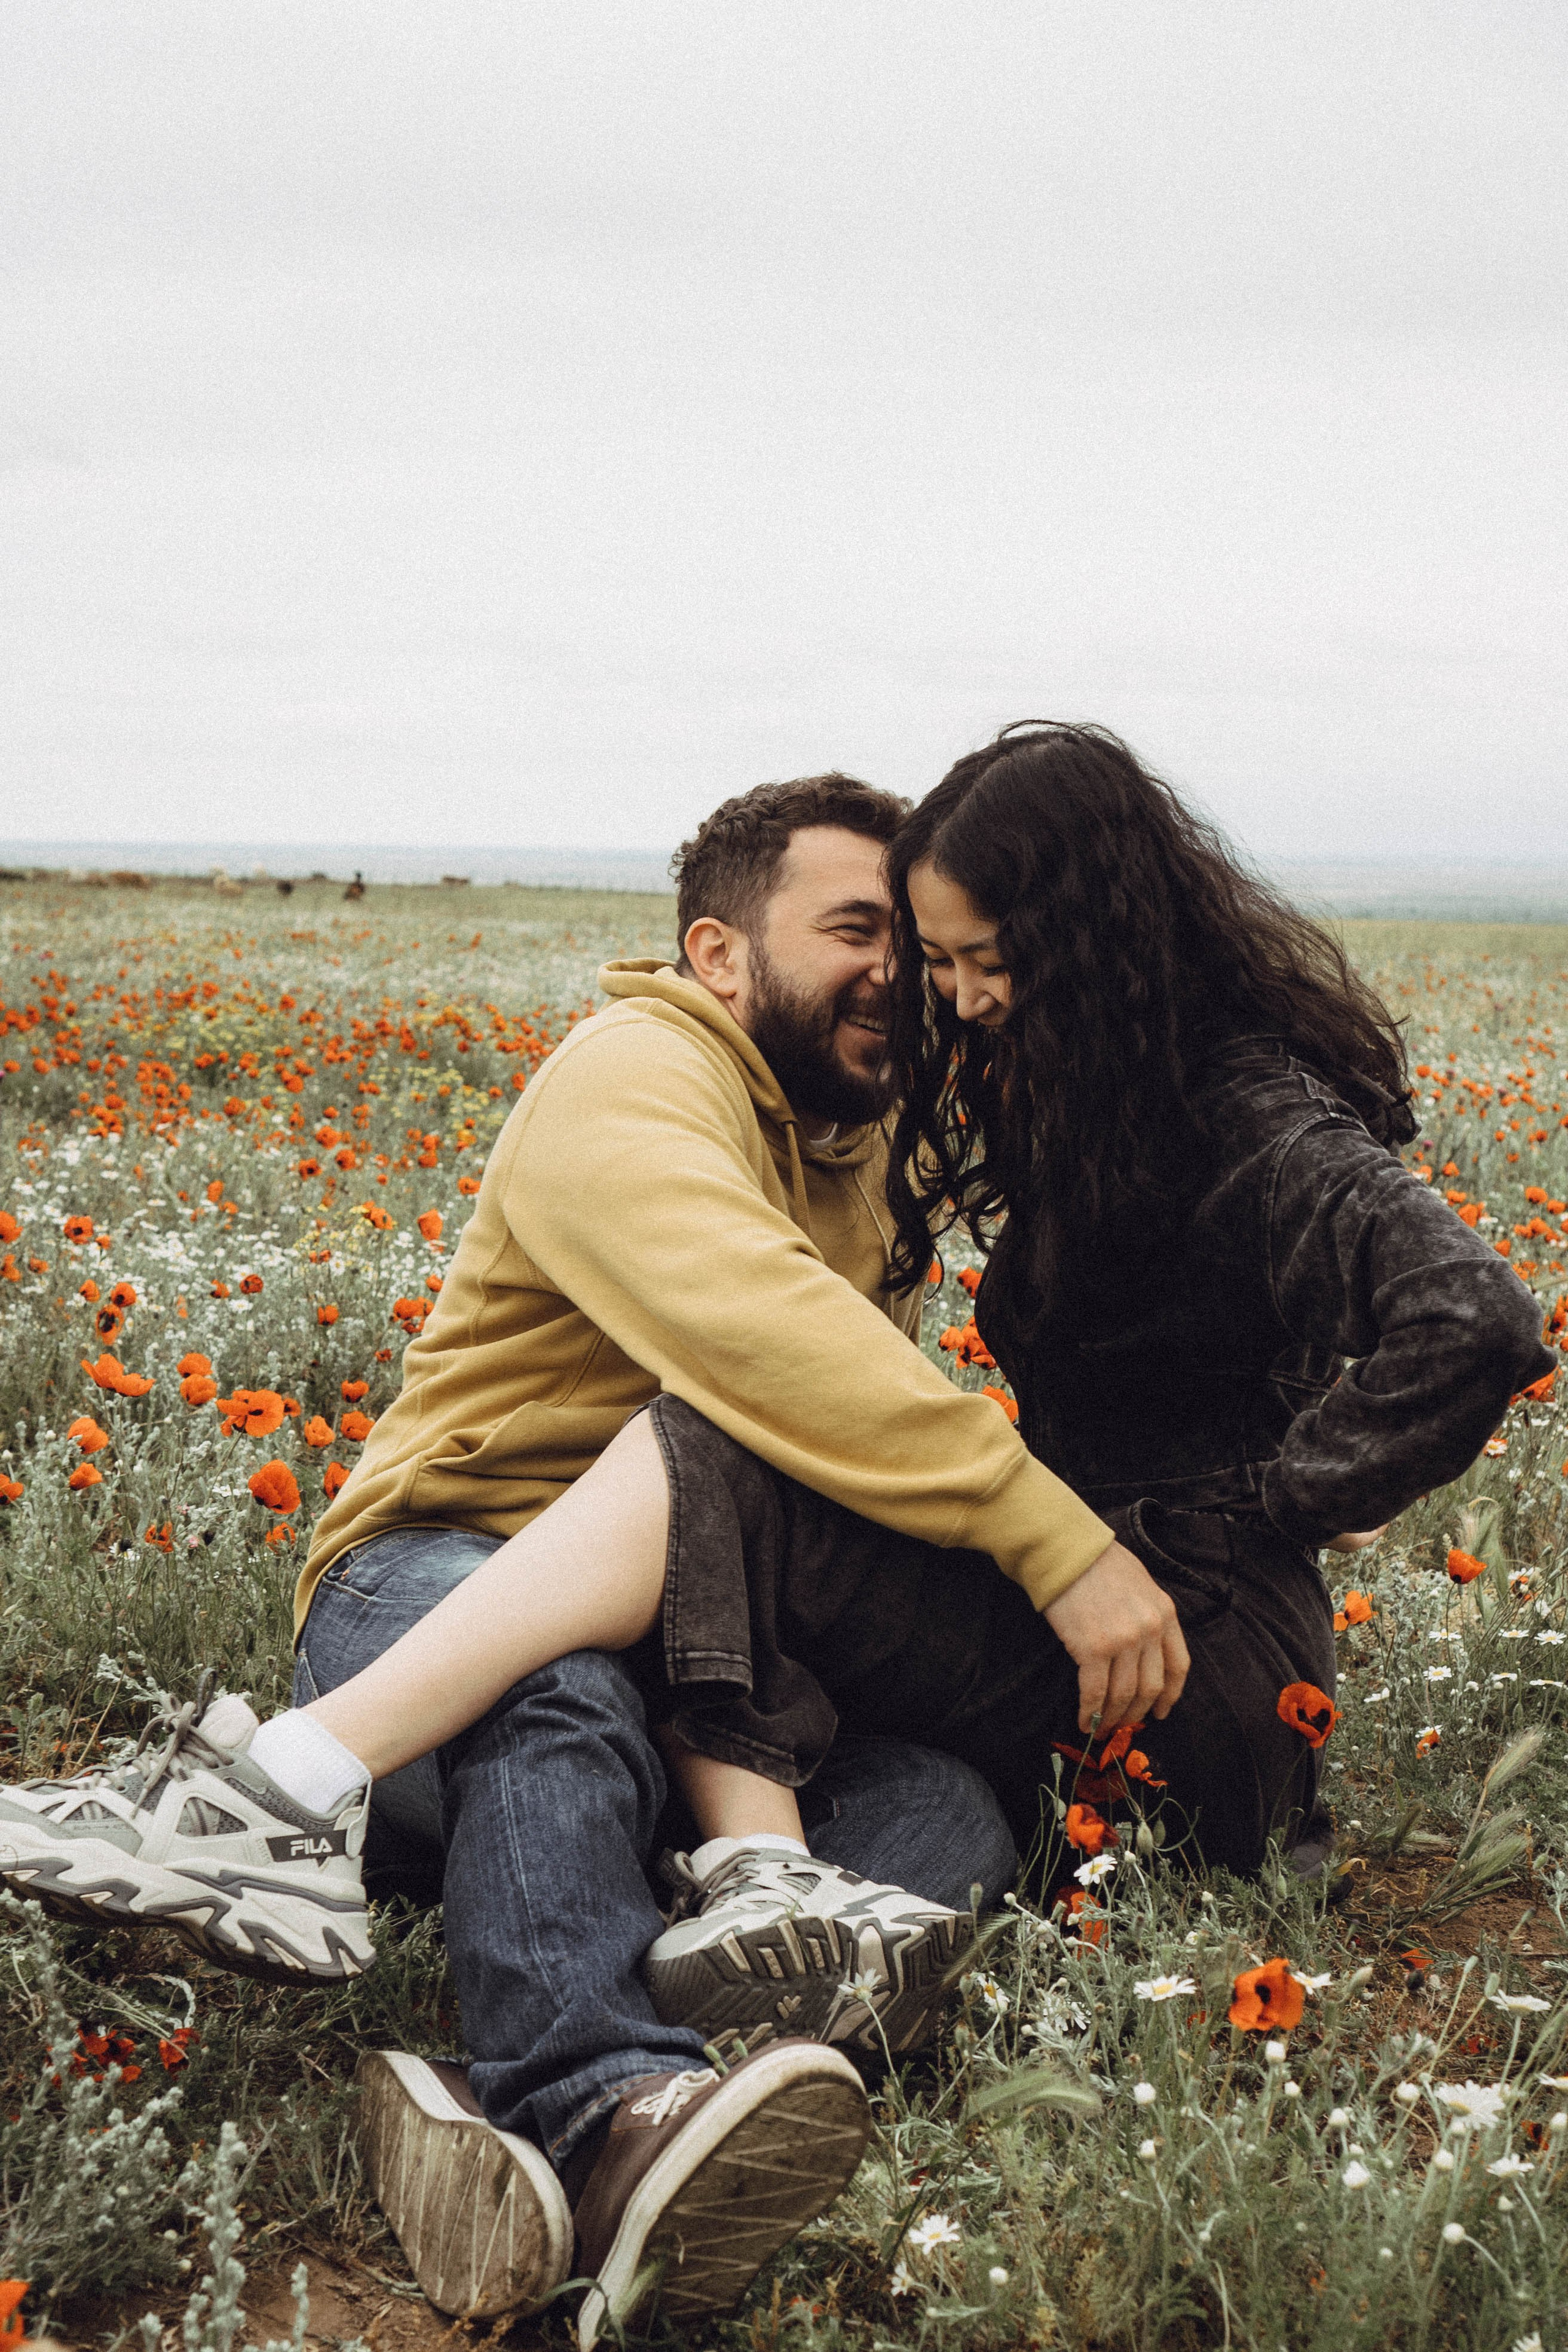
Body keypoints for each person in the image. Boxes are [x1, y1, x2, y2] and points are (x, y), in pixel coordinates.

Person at [0, 773, 1179, 2344]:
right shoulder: (629, 1076)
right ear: (715, 953)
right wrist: (1052, 1537)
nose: (894, 970)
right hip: (447, 1592)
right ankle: (603, 2112)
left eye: (910, 936)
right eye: (851, 930)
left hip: (695, 1646)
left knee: (938, 1815)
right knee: (558, 1696)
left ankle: (471, 2078)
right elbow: (765, 1343)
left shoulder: (859, 1140)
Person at [603, 723, 1551, 1892]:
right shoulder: (1121, 1076)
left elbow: (1474, 1314)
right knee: (755, 1478)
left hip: (1186, 1656)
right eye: (939, 959)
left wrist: (1297, 1493)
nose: (961, 996)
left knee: (719, 1460)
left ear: (1094, 927)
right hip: (1141, 1627)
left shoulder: (1240, 1106)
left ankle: (721, 1869)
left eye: (988, 957)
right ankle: (724, 1855)